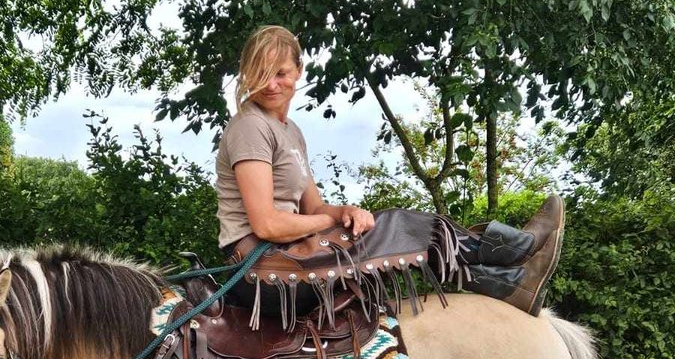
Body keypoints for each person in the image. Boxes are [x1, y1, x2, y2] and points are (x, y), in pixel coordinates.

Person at [216, 25, 564, 317]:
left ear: (298, 72)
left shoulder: (290, 131)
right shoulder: (250, 127)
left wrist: (348, 213)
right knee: (396, 224)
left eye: (281, 73)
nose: (271, 85)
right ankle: (516, 249)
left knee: (381, 226)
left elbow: (316, 208)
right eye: (260, 74)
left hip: (290, 255)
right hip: (260, 270)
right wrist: (328, 224)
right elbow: (267, 224)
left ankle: (511, 282)